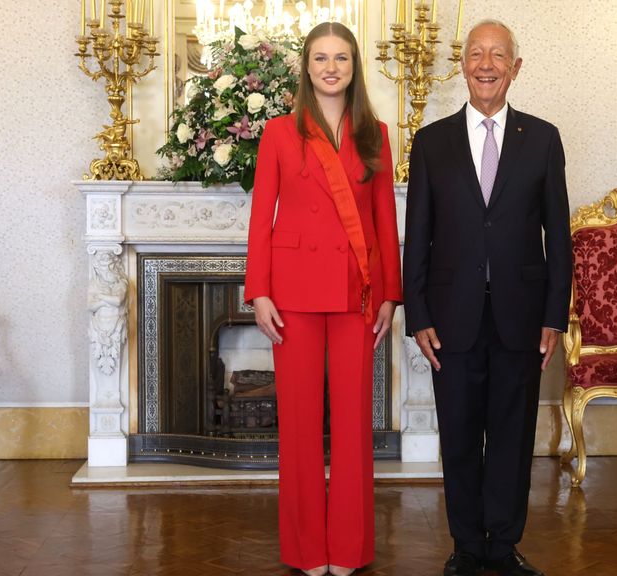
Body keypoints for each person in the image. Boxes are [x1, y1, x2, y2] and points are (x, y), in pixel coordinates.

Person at [402, 19, 571, 576]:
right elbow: (418, 235)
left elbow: (558, 234)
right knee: (458, 435)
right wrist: (418, 314)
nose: (486, 63)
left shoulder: (543, 139)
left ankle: (503, 545)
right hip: (451, 320)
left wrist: (554, 316)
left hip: (522, 319)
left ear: (515, 68)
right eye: (476, 53)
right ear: (463, 65)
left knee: (511, 436)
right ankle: (467, 546)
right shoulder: (430, 142)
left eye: (498, 54)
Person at [244, 22, 402, 576]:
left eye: (341, 58)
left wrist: (390, 295)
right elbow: (262, 218)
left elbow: (385, 219)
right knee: (300, 423)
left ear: (354, 67)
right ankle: (308, 549)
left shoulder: (375, 134)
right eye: (320, 58)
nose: (330, 67)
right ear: (306, 68)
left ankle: (350, 549)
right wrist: (258, 291)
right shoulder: (280, 134)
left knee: (355, 424)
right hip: (293, 293)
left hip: (358, 290)